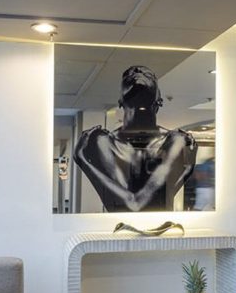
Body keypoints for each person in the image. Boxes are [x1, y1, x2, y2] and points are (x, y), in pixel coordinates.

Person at [73, 66, 197, 212]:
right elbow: (124, 207)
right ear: (120, 101)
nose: (137, 72)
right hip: (121, 229)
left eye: (147, 74)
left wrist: (82, 159)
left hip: (158, 229)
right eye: (130, 74)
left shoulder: (176, 140)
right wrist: (186, 170)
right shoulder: (101, 140)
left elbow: (135, 206)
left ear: (159, 101)